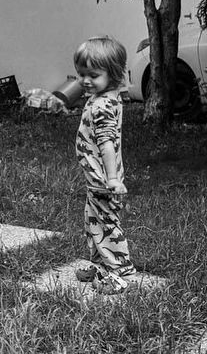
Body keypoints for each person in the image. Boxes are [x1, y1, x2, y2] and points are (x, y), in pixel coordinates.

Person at [73, 36, 136, 295]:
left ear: (113, 73)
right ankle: (101, 266)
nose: (85, 80)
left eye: (93, 75)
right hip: (96, 178)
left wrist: (112, 179)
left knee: (107, 225)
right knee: (93, 222)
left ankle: (120, 273)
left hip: (103, 179)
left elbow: (107, 143)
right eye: (81, 74)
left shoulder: (102, 105)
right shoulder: (107, 95)